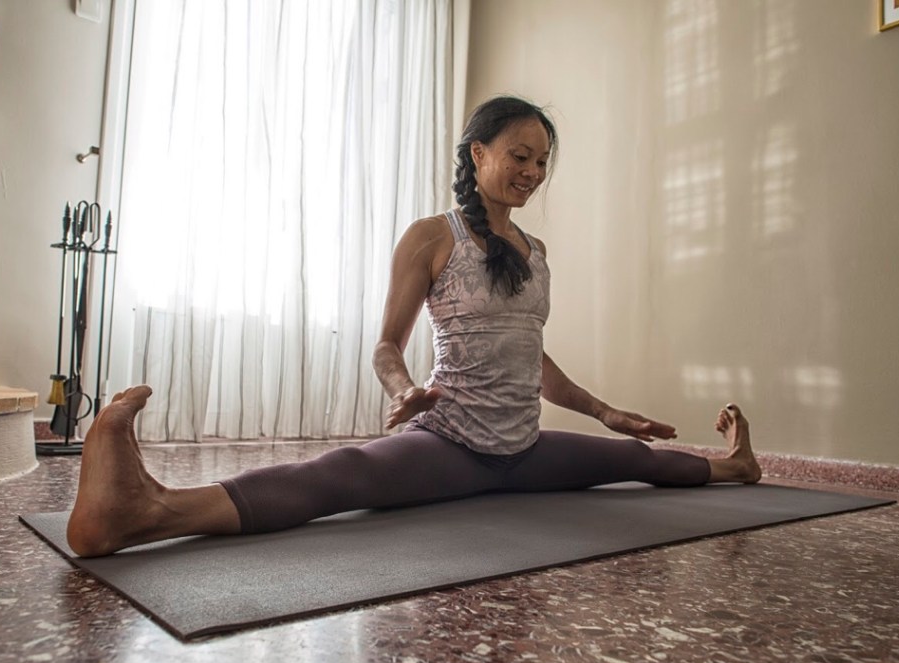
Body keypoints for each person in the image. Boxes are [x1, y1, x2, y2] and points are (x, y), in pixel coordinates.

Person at [66, 96, 761, 558]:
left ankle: (735, 465)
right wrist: (402, 389)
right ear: (478, 153)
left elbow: (532, 358)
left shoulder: (535, 254)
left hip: (522, 447)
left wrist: (604, 410)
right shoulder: (433, 237)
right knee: (334, 479)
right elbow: (386, 345)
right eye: (519, 154)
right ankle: (145, 509)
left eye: (543, 160)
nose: (532, 171)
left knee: (635, 463)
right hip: (451, 440)